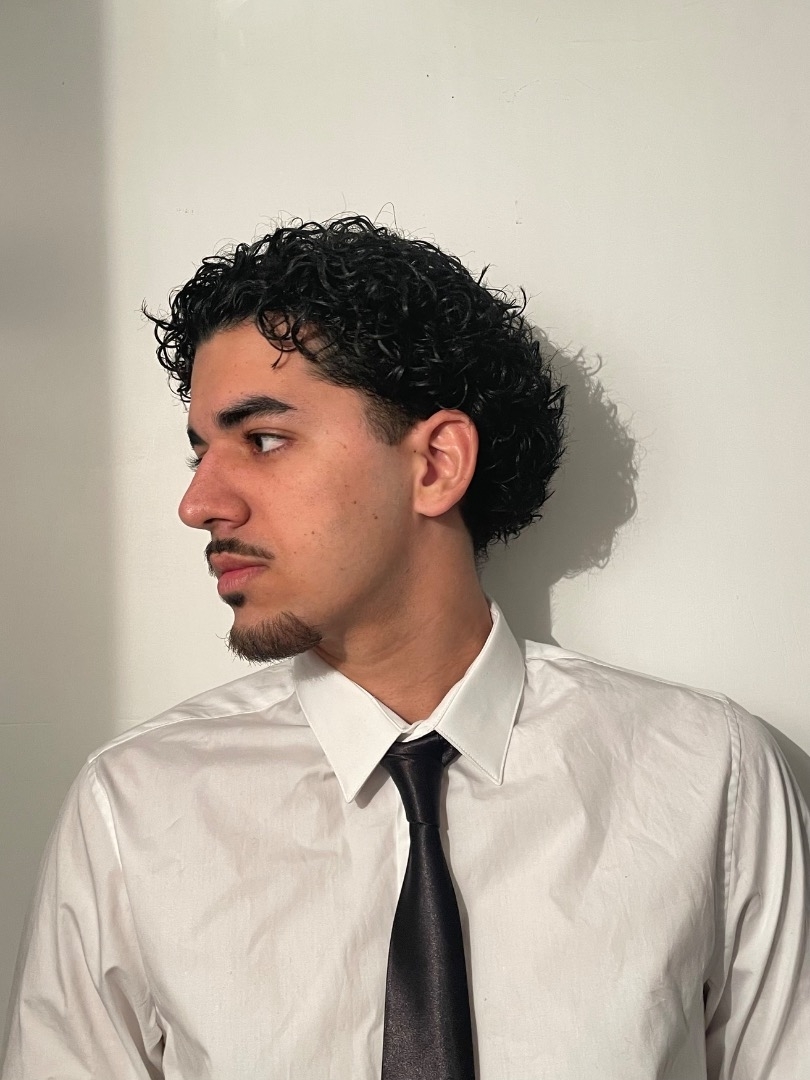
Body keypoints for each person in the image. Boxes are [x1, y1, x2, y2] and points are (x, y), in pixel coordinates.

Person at [2, 216, 808, 1079]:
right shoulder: (134, 808)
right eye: (200, 453)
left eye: (263, 440)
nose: (198, 504)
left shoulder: (707, 778)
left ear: (435, 465)